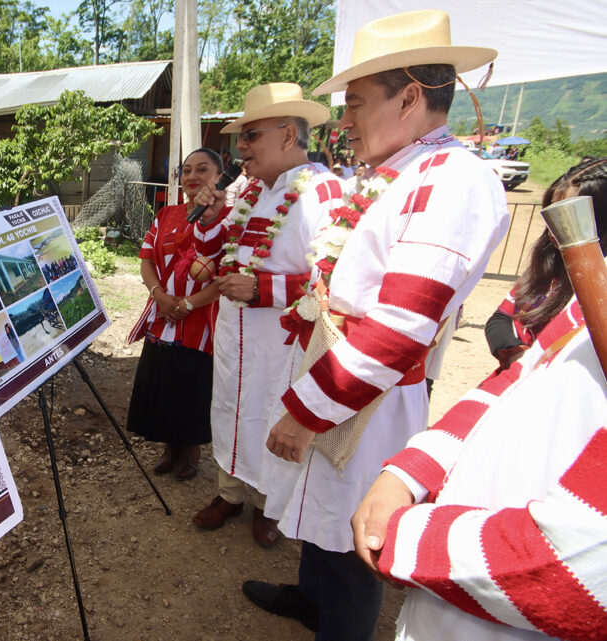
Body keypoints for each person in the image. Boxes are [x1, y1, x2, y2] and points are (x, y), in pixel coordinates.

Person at [242, 10, 511, 640]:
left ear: (412, 96)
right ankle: (313, 598)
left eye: (356, 103)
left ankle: (341, 625)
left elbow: (398, 328)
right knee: (323, 509)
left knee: (351, 520)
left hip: (371, 391)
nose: (344, 121)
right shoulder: (401, 171)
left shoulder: (455, 180)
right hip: (344, 375)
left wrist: (304, 412)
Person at [352, 297, 607, 639]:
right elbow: (515, 378)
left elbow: (580, 570)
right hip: (449, 601)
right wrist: (407, 474)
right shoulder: (593, 282)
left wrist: (403, 538)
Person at [187, 83, 341, 546]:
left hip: (282, 342)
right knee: (233, 408)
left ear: (288, 137)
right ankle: (230, 494)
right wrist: (210, 217)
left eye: (251, 135)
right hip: (234, 334)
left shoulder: (323, 191)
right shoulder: (250, 190)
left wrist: (263, 289)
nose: (241, 148)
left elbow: (334, 282)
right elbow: (212, 255)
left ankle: (270, 508)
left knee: (272, 412)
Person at [125, 148, 226, 480]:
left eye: (203, 169)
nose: (192, 177)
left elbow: (226, 274)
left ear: (219, 176)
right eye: (186, 170)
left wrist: (188, 304)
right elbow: (146, 260)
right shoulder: (166, 214)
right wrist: (160, 296)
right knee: (164, 379)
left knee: (192, 384)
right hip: (163, 313)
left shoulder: (228, 219)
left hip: (202, 318)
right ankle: (170, 446)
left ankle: (191, 449)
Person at [485, 158, 607, 369]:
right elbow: (501, 318)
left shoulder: (598, 288)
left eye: (566, 219)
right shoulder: (552, 265)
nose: (552, 231)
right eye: (551, 217)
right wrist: (516, 354)